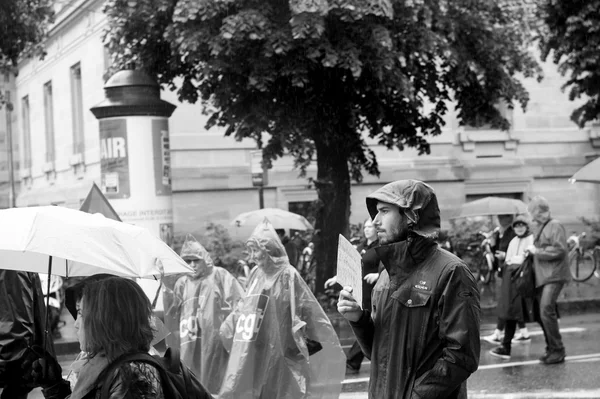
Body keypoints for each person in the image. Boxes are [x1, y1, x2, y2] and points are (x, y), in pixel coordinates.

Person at [337, 179, 481, 398]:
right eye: (376, 212)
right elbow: (378, 353)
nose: (375, 221)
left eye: (384, 211)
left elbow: (461, 356)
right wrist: (358, 319)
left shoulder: (452, 272)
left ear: (411, 216)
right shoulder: (386, 274)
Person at [219, 219, 345, 399]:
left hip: (282, 347)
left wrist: (310, 337)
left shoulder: (287, 274)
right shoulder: (256, 274)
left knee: (281, 389)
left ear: (269, 251)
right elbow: (247, 304)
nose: (252, 256)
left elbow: (307, 308)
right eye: (251, 251)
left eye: (257, 251)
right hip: (258, 343)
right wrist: (229, 326)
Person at [23, 276, 165, 399]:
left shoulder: (132, 377)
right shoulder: (99, 363)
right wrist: (53, 386)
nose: (76, 324)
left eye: (81, 313)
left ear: (105, 320)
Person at [170, 235, 244, 395]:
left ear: (204, 259)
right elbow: (173, 317)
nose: (192, 265)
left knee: (215, 385)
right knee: (191, 386)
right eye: (187, 261)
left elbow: (241, 304)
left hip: (215, 345)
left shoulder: (220, 276)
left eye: (196, 260)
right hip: (188, 344)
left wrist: (227, 331)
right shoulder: (182, 283)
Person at [324, 218, 381, 375]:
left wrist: (378, 275)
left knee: (366, 324)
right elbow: (351, 266)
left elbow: (390, 267)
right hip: (361, 292)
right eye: (365, 226)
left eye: (370, 226)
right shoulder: (362, 247)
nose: (367, 229)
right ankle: (354, 362)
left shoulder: (382, 246)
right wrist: (337, 278)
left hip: (375, 292)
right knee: (364, 323)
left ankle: (352, 362)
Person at [526, 196, 571, 365]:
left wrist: (537, 251)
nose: (532, 216)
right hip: (546, 275)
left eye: (533, 212)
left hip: (554, 274)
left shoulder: (555, 225)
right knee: (545, 312)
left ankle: (557, 349)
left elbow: (560, 250)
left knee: (546, 310)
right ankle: (552, 348)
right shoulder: (542, 226)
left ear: (539, 212)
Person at [0, 270, 55, 399]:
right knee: (17, 384)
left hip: (17, 339)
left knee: (17, 383)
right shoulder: (21, 261)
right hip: (21, 341)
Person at [489, 215, 534, 359]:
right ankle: (506, 346)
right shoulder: (513, 241)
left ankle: (553, 346)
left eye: (522, 225)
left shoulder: (531, 239)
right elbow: (509, 260)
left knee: (539, 314)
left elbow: (528, 259)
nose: (519, 228)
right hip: (513, 280)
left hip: (525, 281)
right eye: (517, 226)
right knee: (511, 311)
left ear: (527, 227)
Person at [482, 214, 518, 344]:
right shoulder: (499, 233)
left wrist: (505, 255)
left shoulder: (513, 233)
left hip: (509, 271)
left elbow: (516, 252)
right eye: (499, 217)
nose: (500, 219)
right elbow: (495, 250)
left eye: (503, 217)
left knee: (506, 303)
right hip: (501, 270)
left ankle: (498, 332)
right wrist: (492, 243)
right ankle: (523, 331)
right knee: (509, 303)